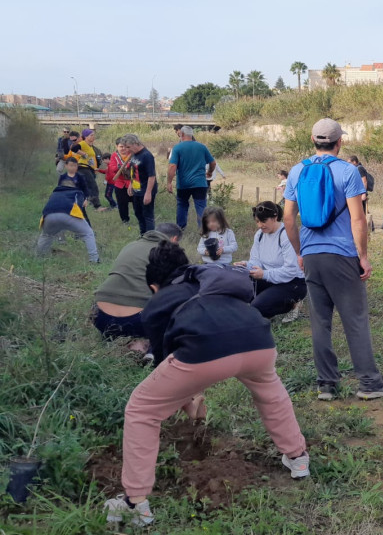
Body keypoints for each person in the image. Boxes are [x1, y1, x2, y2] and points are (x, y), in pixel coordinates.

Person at [103, 242, 309, 527]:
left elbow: (171, 368)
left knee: (142, 409)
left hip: (205, 352)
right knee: (270, 393)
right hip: (257, 340)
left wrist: (189, 399)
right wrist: (193, 395)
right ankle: (298, 458)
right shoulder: (209, 277)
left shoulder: (156, 307)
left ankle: (134, 502)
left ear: (153, 287)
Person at [283, 118, 383, 401]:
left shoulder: (297, 170)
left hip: (311, 255)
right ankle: (370, 383)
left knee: (320, 321)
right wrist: (363, 255)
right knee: (355, 320)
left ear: (313, 140)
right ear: (340, 142)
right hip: (341, 255)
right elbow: (358, 218)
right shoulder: (347, 171)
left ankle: (327, 384)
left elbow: (289, 217)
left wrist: (300, 251)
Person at [92, 223, 183, 352]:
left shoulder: (130, 245)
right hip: (135, 320)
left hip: (98, 315)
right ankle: (150, 350)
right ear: (174, 239)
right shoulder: (169, 252)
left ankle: (113, 338)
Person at [234, 201, 306, 319]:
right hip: (271, 278)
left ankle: (293, 304)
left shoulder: (285, 235)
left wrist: (264, 274)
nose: (260, 225)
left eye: (263, 221)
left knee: (256, 307)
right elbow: (256, 260)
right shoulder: (260, 235)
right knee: (239, 290)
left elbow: (291, 270)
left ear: (275, 217)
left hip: (293, 282)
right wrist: (246, 265)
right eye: (257, 222)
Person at [167, 125, 216, 230]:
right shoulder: (202, 147)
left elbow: (172, 166)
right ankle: (203, 230)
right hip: (200, 183)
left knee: (182, 205)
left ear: (182, 134)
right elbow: (213, 162)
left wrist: (169, 182)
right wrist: (210, 172)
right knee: (201, 207)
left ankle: (180, 228)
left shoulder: (177, 148)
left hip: (183, 184)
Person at [35, 184, 99, 263]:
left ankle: (39, 258)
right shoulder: (78, 191)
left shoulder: (55, 193)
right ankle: (94, 260)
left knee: (46, 235)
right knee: (88, 233)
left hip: (48, 216)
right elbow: (79, 206)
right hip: (68, 214)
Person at [121, 134, 158, 235]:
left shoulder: (147, 156)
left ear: (136, 143)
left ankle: (150, 237)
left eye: (128, 147)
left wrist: (148, 193)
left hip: (146, 189)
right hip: (136, 189)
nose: (127, 150)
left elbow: (151, 176)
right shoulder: (134, 154)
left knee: (147, 215)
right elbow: (134, 171)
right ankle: (143, 235)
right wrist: (130, 185)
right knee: (138, 214)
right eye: (126, 147)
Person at [67, 130, 106, 211]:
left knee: (85, 187)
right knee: (93, 186)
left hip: (88, 168)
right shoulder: (83, 143)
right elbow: (74, 148)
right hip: (83, 167)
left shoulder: (90, 146)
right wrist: (83, 154)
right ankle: (97, 206)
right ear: (86, 137)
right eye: (91, 135)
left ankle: (77, 204)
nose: (93, 137)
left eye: (93, 135)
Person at [107, 138, 133, 224]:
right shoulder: (114, 155)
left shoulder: (132, 154)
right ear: (117, 146)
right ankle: (125, 220)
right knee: (122, 204)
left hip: (132, 183)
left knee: (137, 202)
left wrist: (127, 167)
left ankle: (141, 218)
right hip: (120, 183)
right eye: (121, 146)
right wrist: (121, 167)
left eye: (125, 147)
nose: (123, 149)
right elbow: (112, 167)